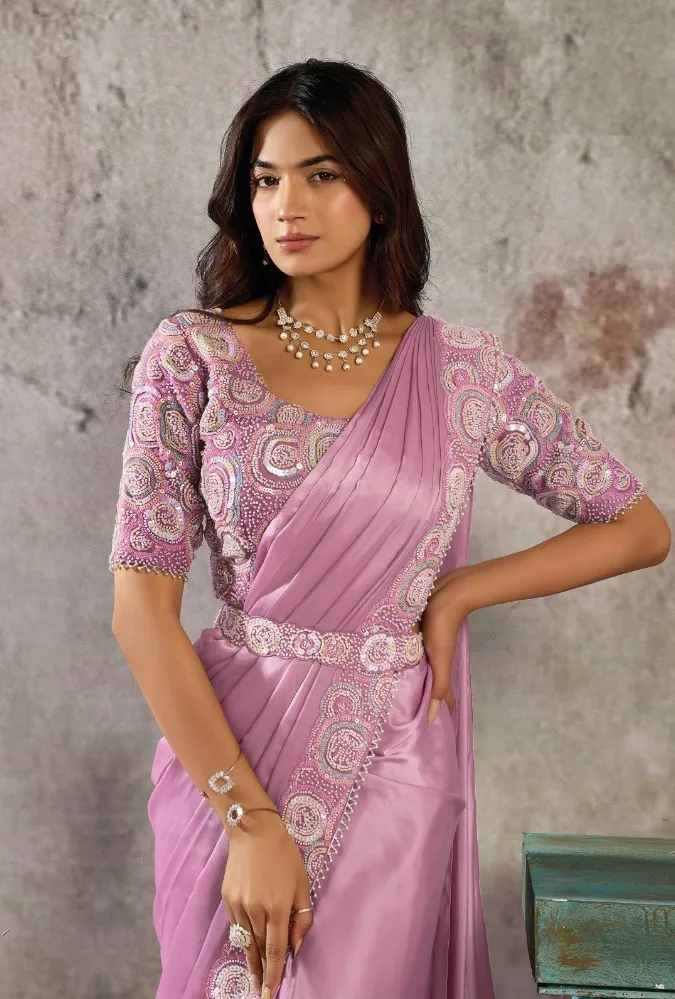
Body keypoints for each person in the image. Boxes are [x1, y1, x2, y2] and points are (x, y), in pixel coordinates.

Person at [108, 58, 670, 999]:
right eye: (265, 179)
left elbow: (636, 525)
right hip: (227, 754)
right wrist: (249, 820)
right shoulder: (192, 356)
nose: (287, 205)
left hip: (392, 762)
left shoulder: (460, 374)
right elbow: (139, 613)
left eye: (321, 174)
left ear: (379, 190)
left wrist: (462, 589)